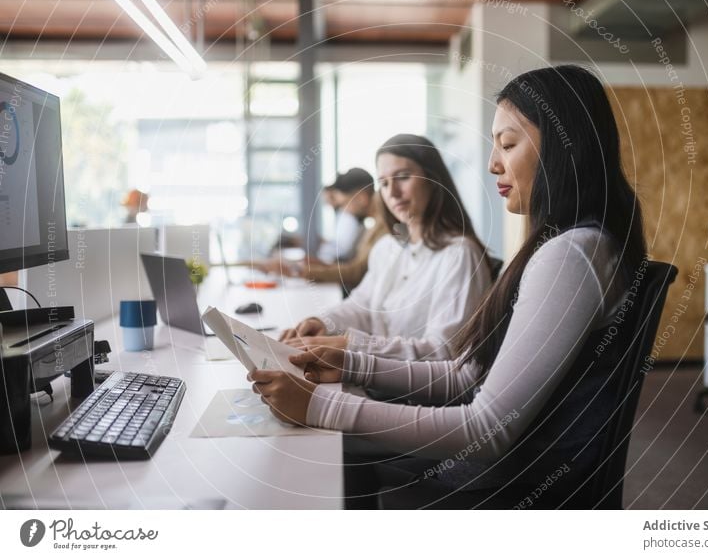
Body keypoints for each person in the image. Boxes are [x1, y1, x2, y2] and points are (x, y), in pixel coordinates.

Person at [249, 65, 647, 508]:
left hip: (512, 485)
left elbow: (487, 428)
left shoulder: (571, 255)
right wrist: (349, 365)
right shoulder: (568, 248)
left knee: (314, 458)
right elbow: (467, 375)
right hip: (505, 468)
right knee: (320, 453)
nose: (494, 163)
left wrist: (321, 406)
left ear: (563, 147)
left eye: (509, 144)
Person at [280, 134, 491, 361]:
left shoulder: (459, 255)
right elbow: (362, 306)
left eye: (402, 177)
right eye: (384, 183)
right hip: (375, 378)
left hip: (411, 393)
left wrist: (349, 344)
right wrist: (322, 322)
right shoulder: (388, 247)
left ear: (433, 180)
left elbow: (442, 352)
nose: (392, 192)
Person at [259, 170, 388, 292]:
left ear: (362, 198)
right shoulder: (373, 225)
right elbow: (355, 266)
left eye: (344, 204)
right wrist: (318, 265)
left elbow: (356, 272)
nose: (343, 211)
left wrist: (297, 270)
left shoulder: (384, 226)